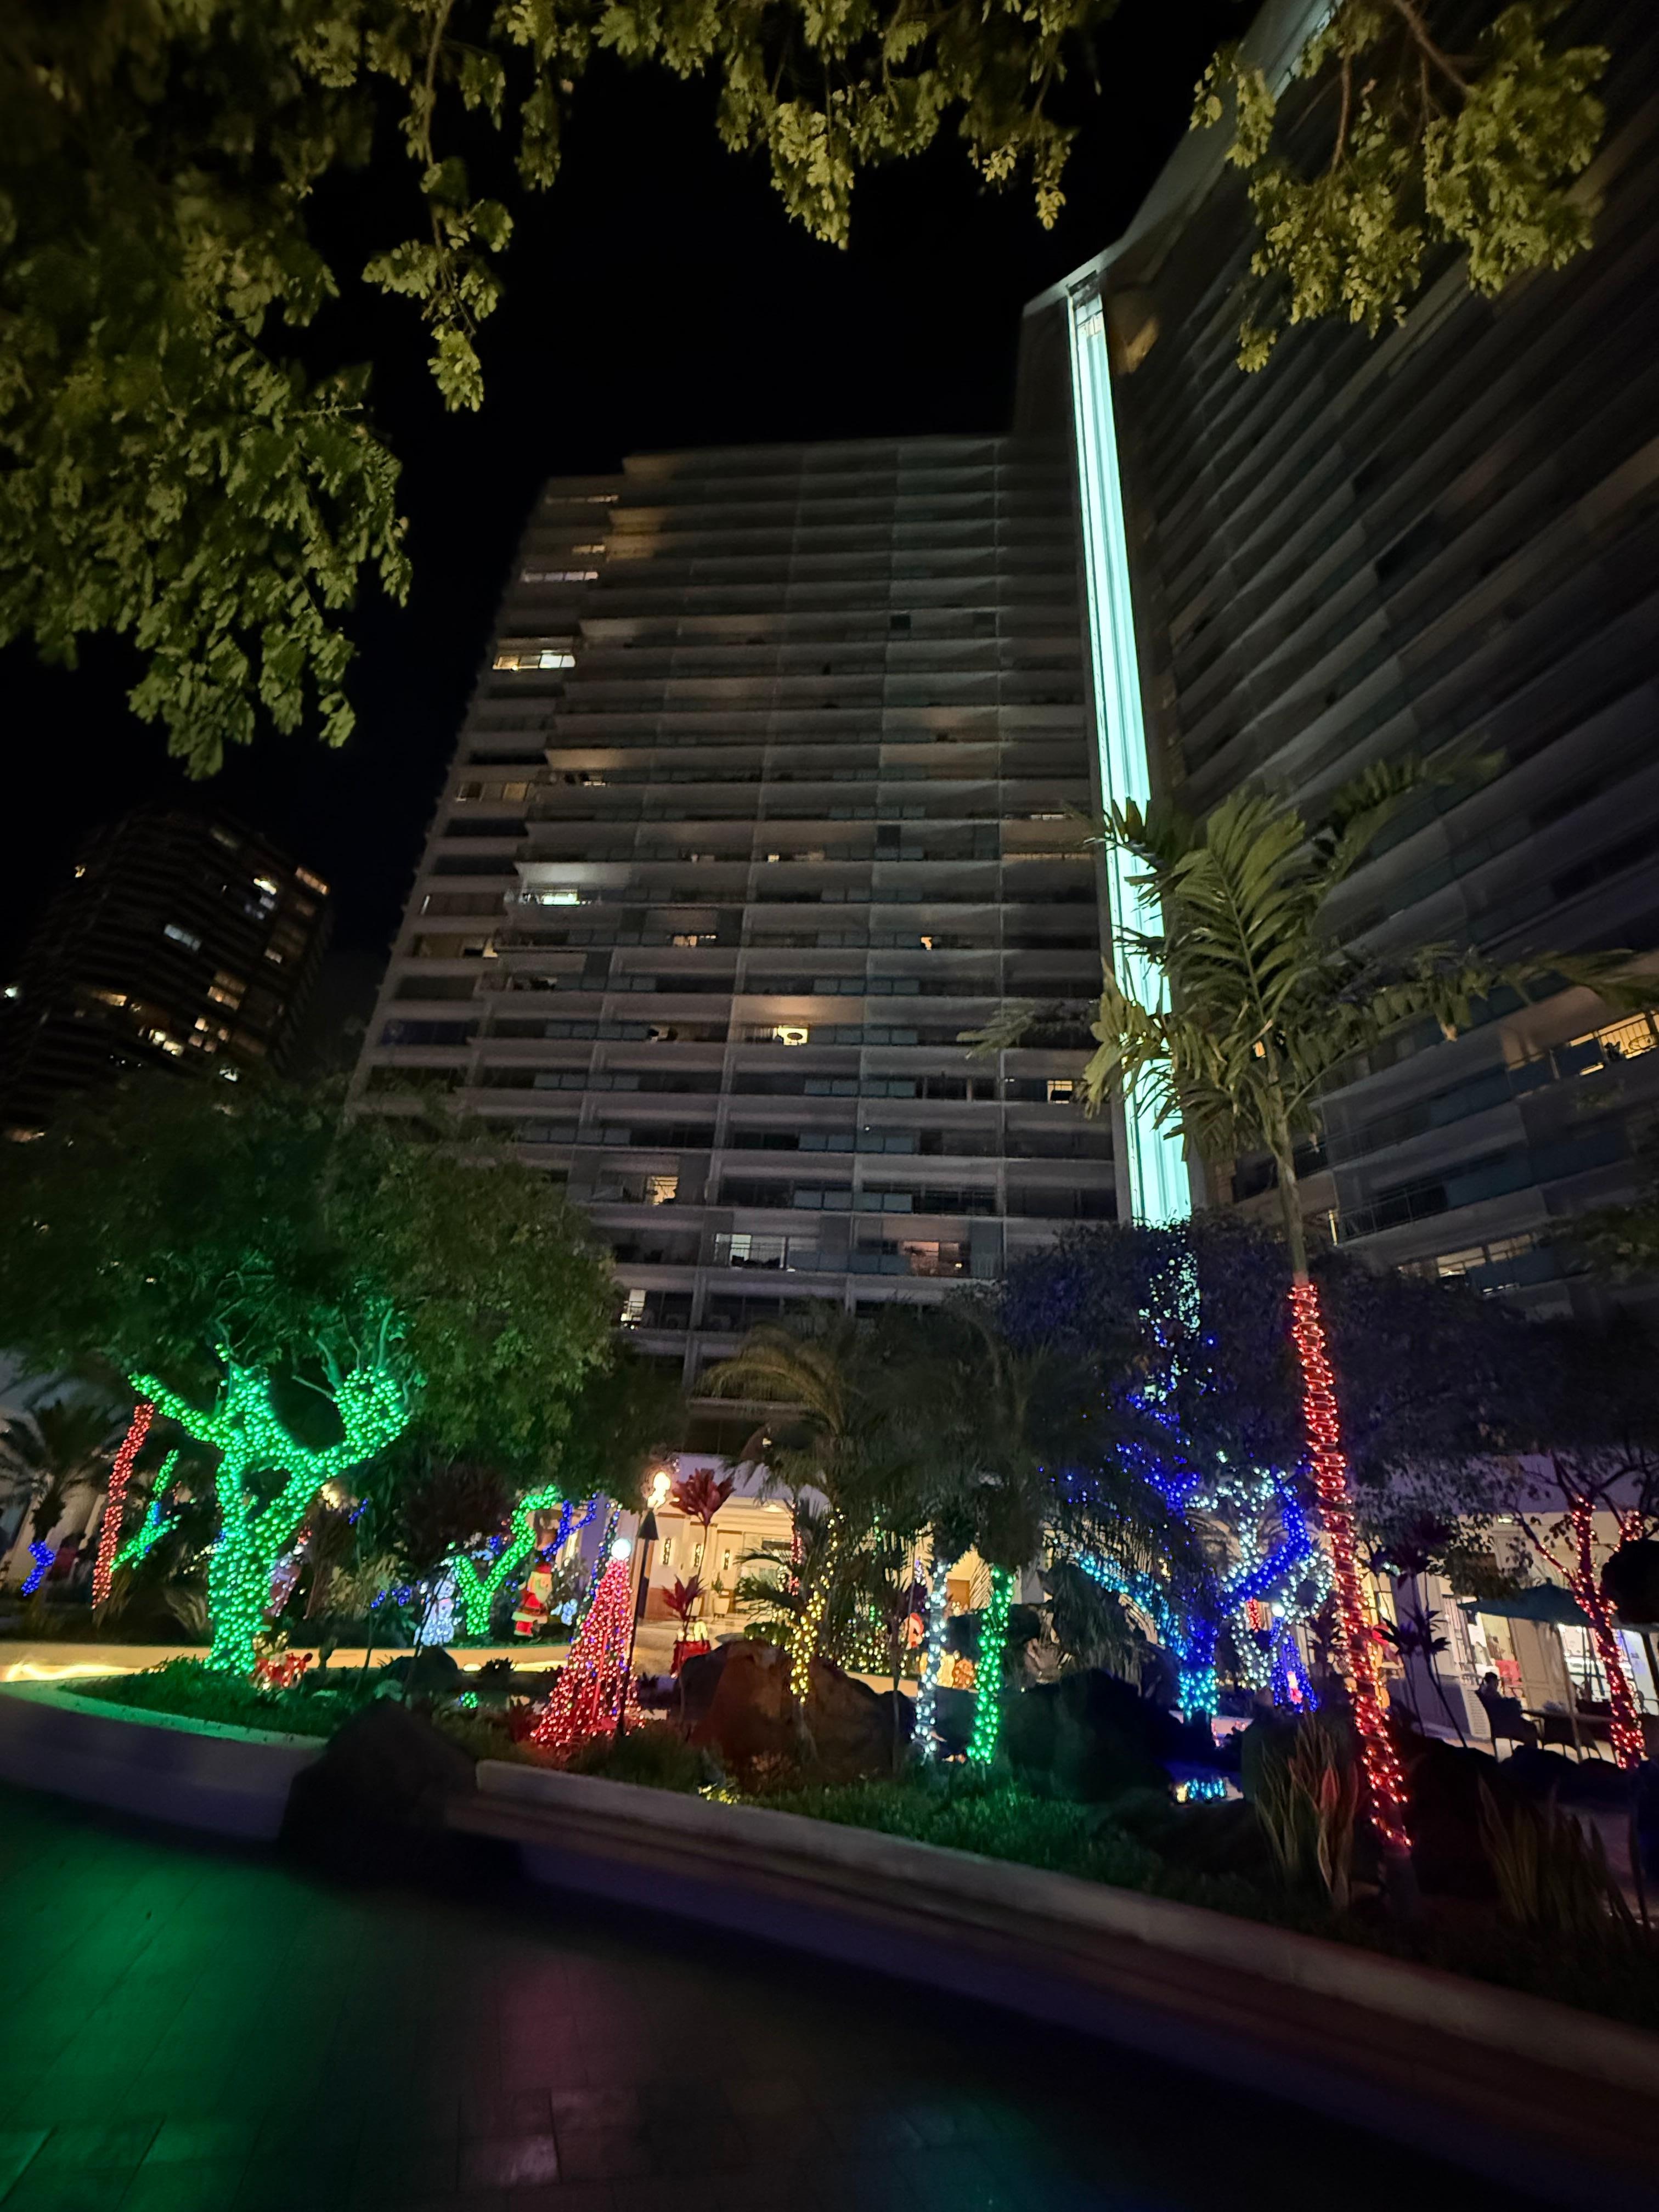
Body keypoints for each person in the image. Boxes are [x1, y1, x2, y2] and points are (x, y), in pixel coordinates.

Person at [1476, 1669, 1537, 1751]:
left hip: (1497, 1724)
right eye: (1496, 1683)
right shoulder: (1491, 1694)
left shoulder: (1483, 1694)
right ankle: (1531, 1753)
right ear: (1493, 1682)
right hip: (1503, 1725)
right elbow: (1503, 1705)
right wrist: (1515, 1703)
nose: (1497, 1685)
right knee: (1531, 1728)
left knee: (1529, 1726)